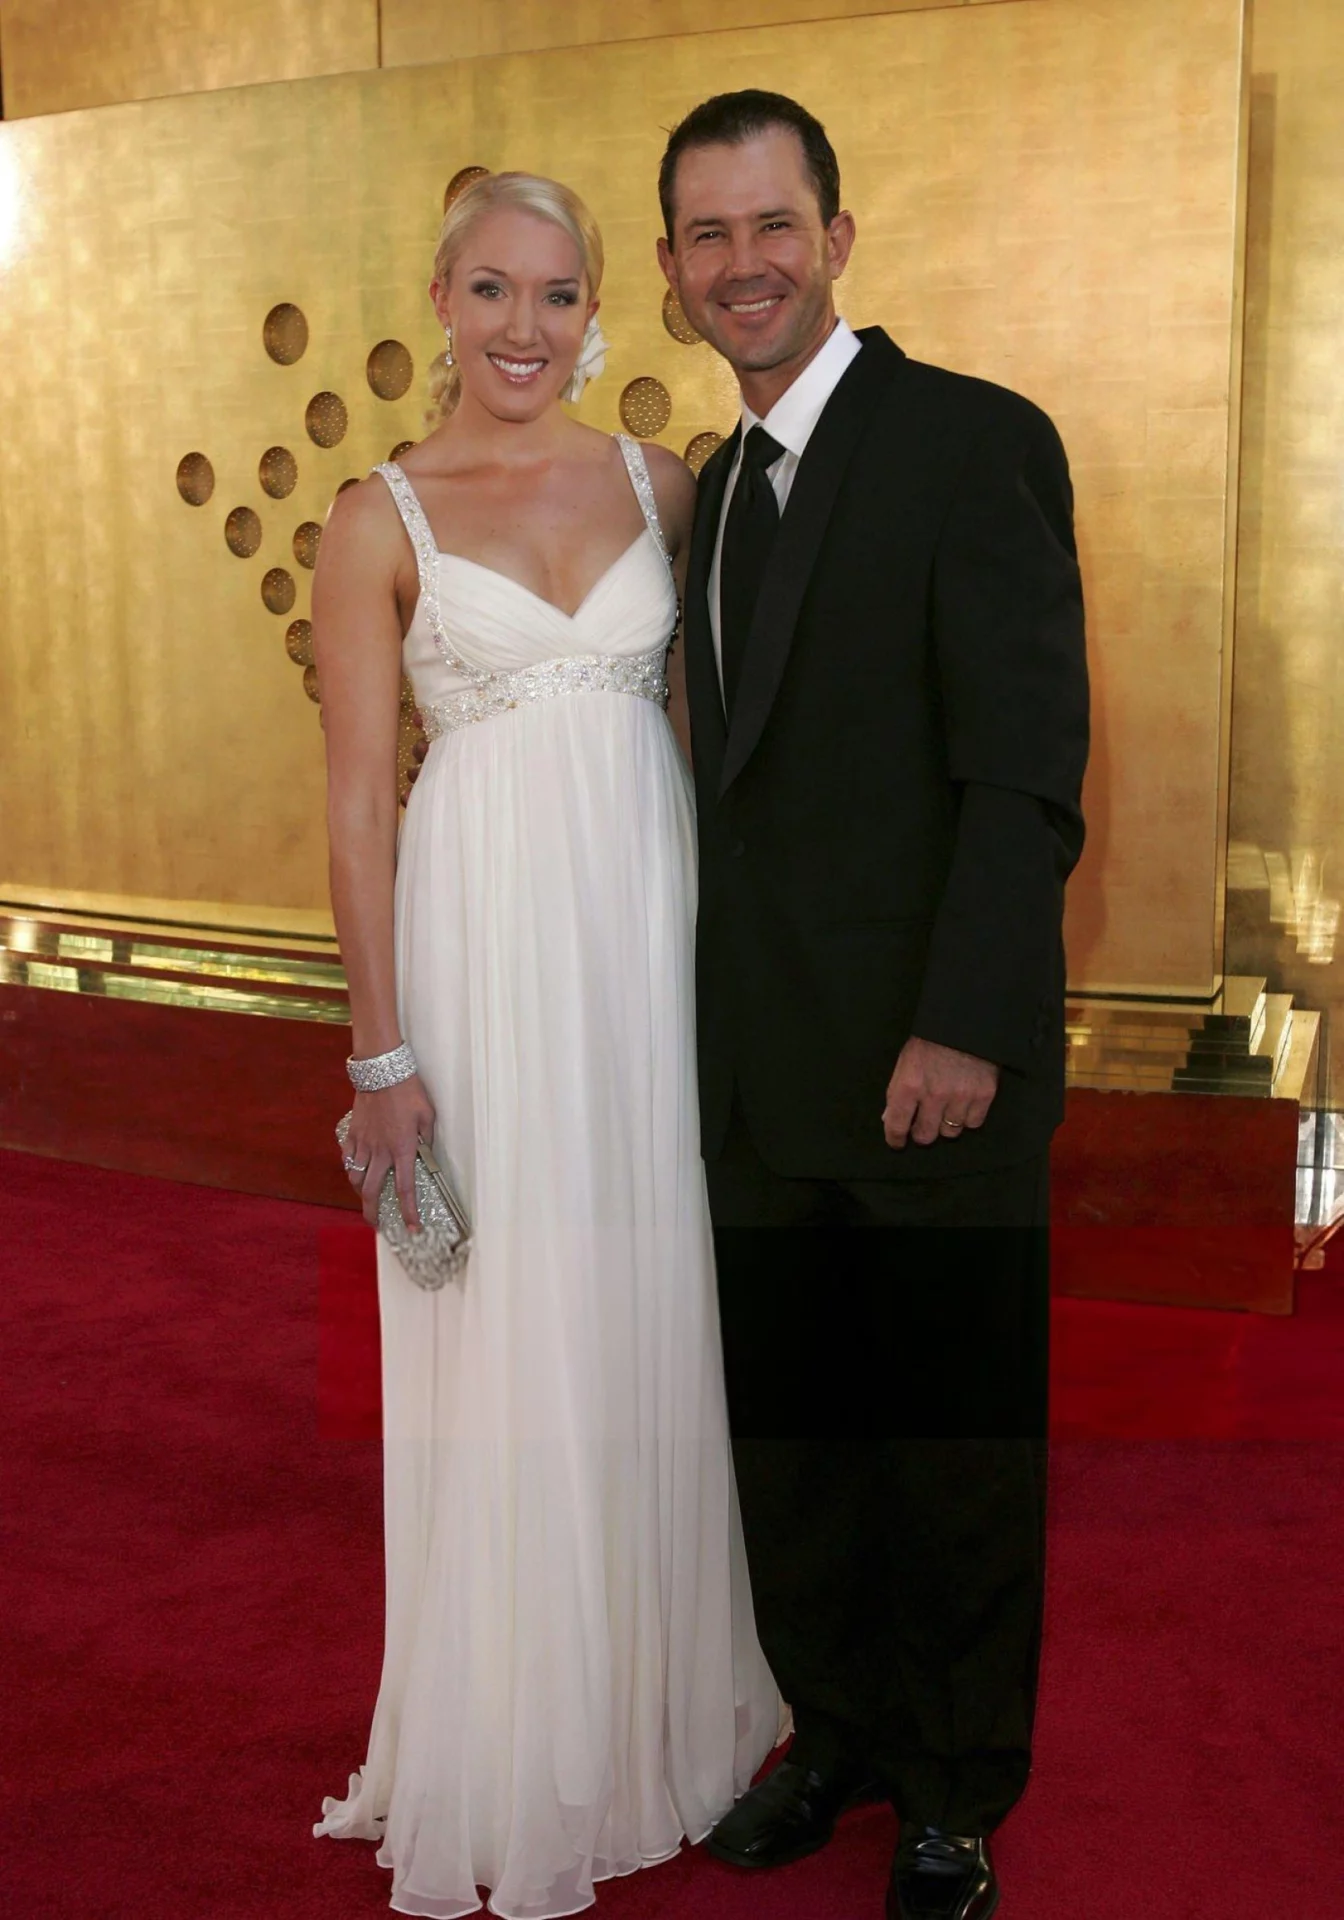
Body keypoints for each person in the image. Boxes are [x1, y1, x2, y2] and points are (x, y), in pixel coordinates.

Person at [310, 169, 780, 1920]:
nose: (527, 328)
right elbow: (361, 804)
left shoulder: (665, 485)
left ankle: (661, 1702)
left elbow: (713, 756)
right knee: (510, 1327)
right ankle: (517, 1734)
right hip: (482, 964)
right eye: (493, 291)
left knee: (649, 1298)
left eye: (560, 295)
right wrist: (380, 1057)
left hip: (644, 957)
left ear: (603, 309)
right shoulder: (379, 519)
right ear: (439, 295)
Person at [655, 92, 1090, 1920]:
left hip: (932, 1071)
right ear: (675, 275)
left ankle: (953, 1794)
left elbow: (1024, 768)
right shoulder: (709, 491)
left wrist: (967, 1023)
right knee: (802, 1444)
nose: (744, 264)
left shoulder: (973, 440)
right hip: (761, 1075)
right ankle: (833, 1727)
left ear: (839, 235)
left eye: (774, 225)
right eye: (707, 237)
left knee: (954, 1450)